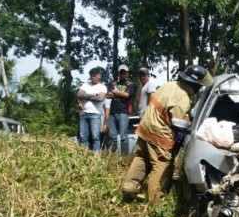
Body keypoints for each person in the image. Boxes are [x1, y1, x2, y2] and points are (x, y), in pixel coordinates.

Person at [122, 65, 214, 203]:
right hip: (159, 133)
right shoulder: (182, 97)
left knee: (142, 157)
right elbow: (178, 122)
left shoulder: (169, 85)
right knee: (163, 162)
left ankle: (130, 186)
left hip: (145, 126)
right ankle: (156, 199)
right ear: (194, 85)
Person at [105, 64, 135, 155]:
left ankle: (125, 158)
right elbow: (108, 95)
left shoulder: (130, 84)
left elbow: (127, 95)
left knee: (123, 136)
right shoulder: (113, 83)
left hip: (123, 112)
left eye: (124, 72)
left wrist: (114, 91)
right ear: (118, 73)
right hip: (112, 112)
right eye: (121, 72)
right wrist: (121, 93)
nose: (122, 74)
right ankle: (113, 158)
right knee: (112, 136)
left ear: (127, 73)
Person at [77, 67, 107, 151]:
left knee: (95, 137)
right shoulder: (86, 84)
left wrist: (86, 95)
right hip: (84, 114)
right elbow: (79, 94)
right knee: (83, 137)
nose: (92, 77)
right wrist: (93, 94)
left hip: (95, 114)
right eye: (91, 76)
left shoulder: (102, 87)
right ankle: (84, 156)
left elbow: (100, 98)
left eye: (94, 75)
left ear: (99, 76)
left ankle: (95, 158)